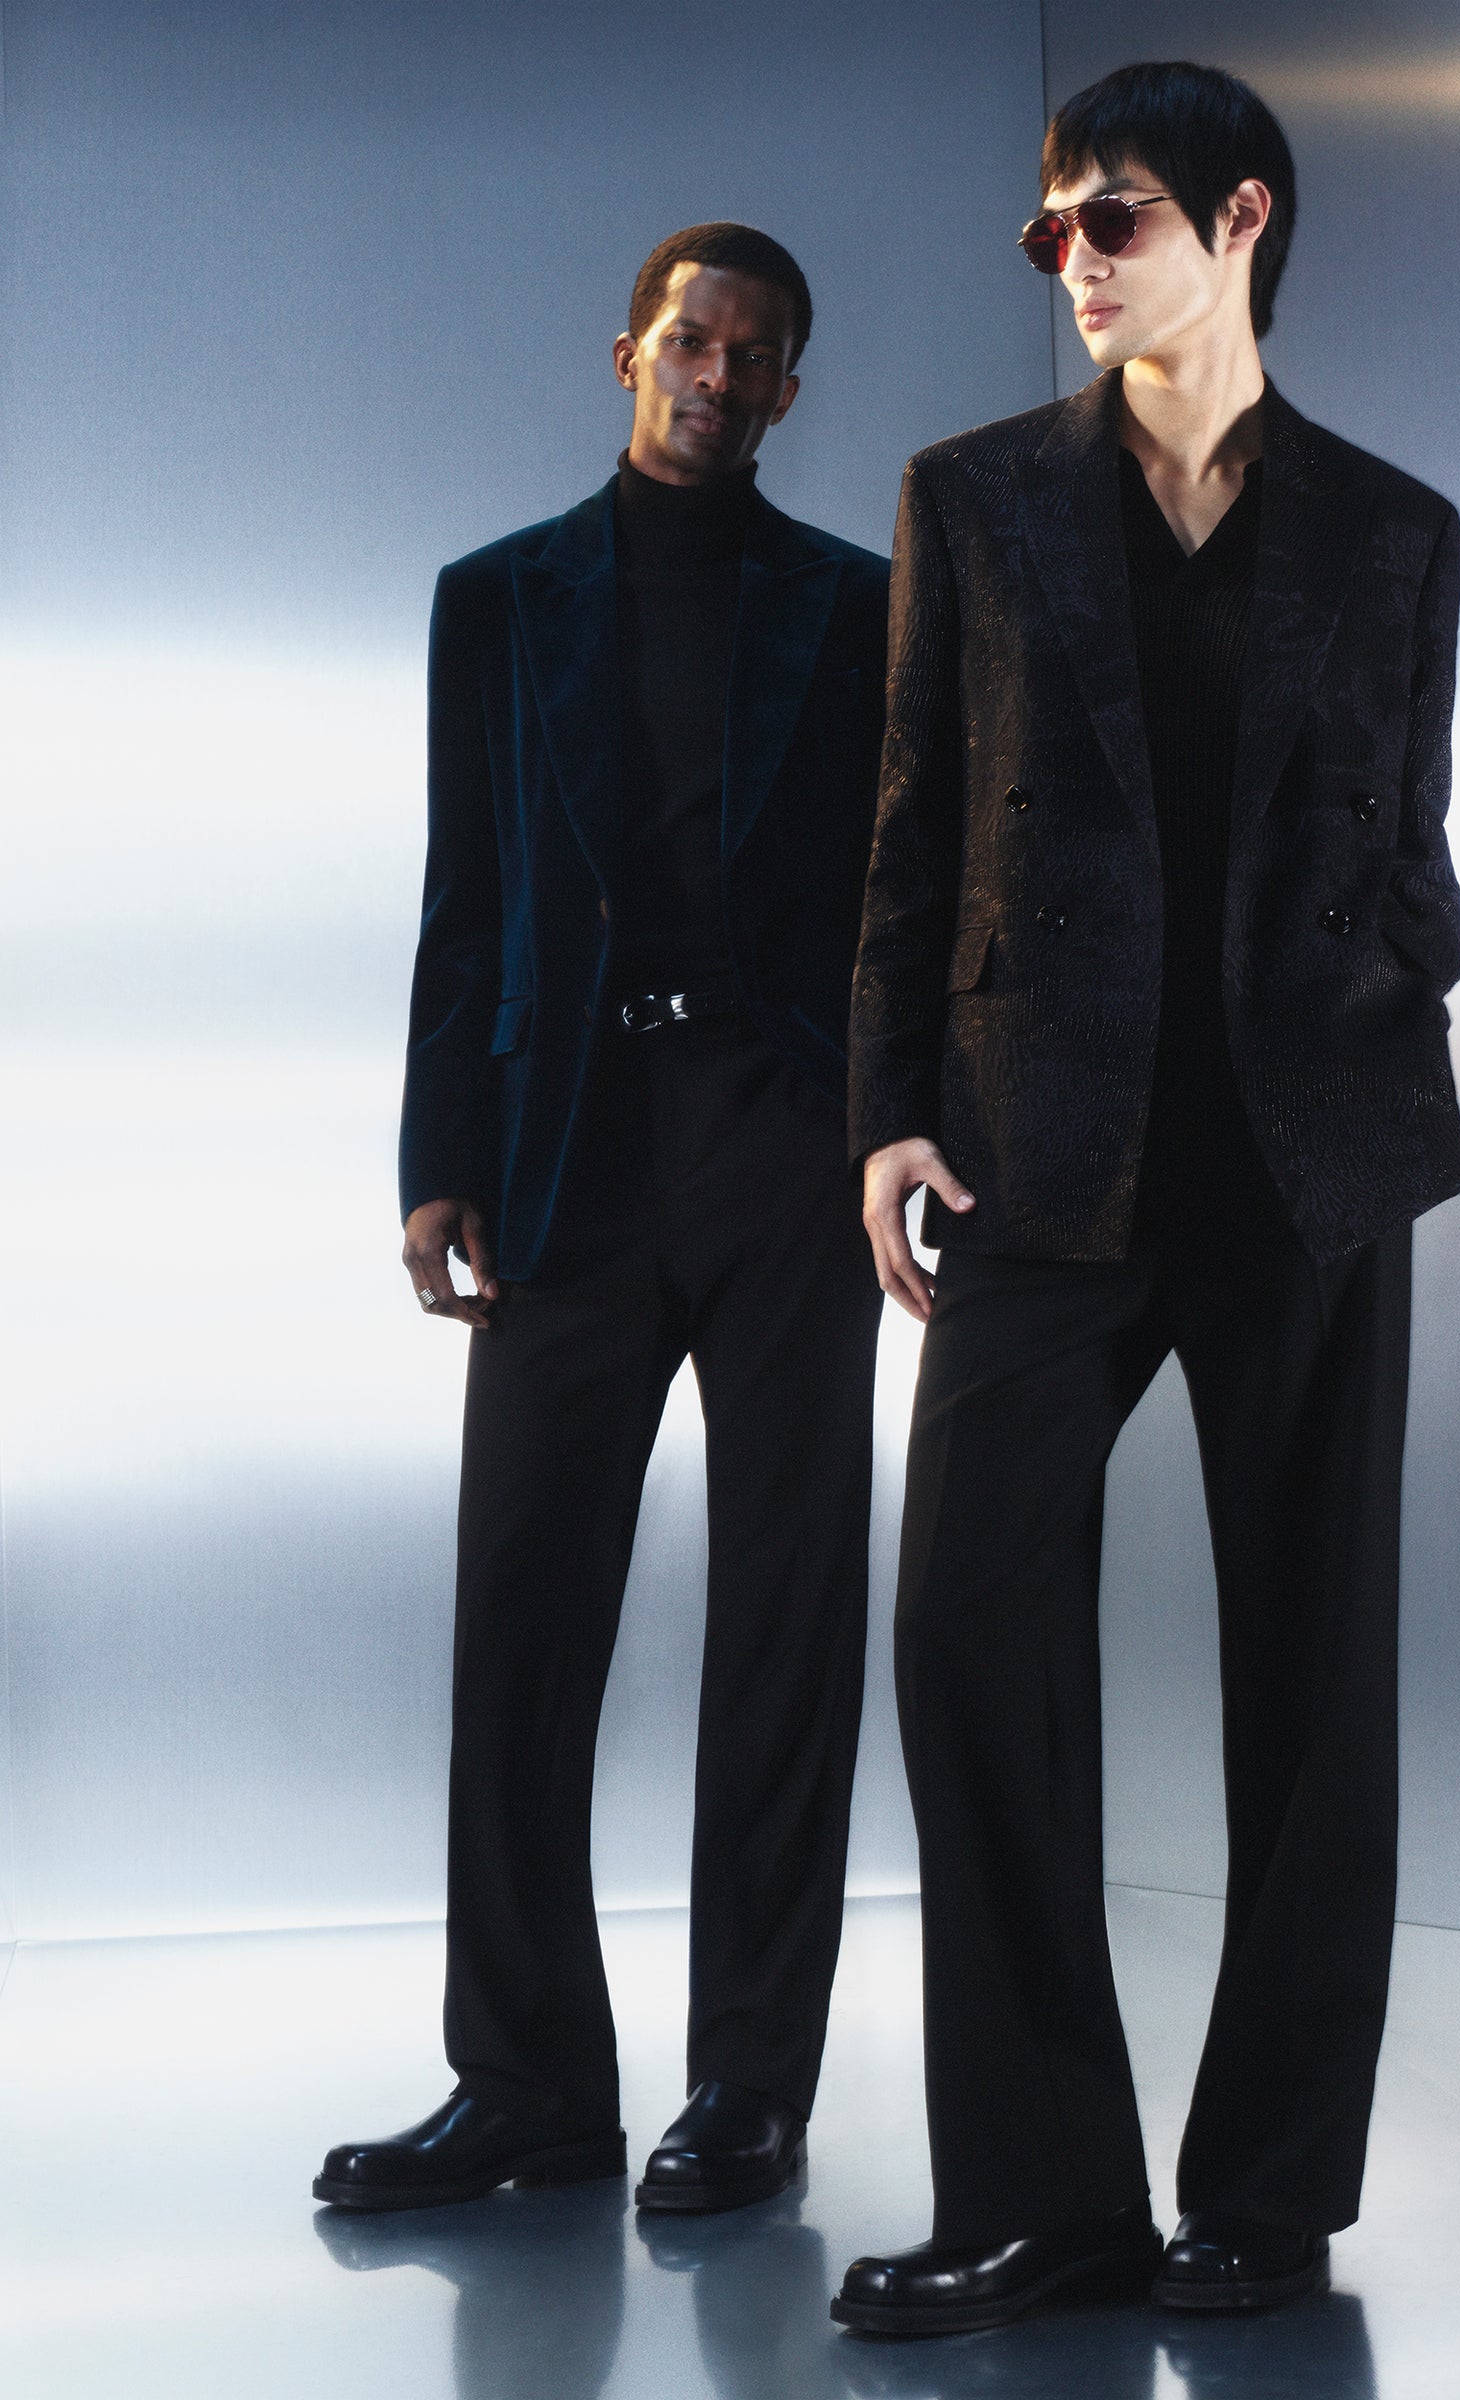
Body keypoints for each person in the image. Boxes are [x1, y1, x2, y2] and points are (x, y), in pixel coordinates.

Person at [834, 62, 1460, 2335]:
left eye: (1113, 218)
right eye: (1052, 231)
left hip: (1310, 1160)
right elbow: (913, 821)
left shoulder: (1394, 528)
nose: (1075, 262)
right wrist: (888, 1106)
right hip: (1040, 1148)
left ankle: (1269, 2196)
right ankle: (1048, 2197)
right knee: (968, 1633)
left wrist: (1386, 978)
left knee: (1315, 1674)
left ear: (1240, 219)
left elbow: (1414, 838)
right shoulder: (975, 497)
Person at [314, 223, 889, 2218]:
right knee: (523, 1613)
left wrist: (889, 1127)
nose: (719, 377)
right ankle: (530, 2083)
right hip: (572, 1143)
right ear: (628, 351)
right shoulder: (498, 600)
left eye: (757, 355)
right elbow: (465, 894)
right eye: (691, 341)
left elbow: (901, 904)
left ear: (793, 389)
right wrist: (436, 1157)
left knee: (789, 1619)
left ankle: (749, 2085)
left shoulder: (861, 607)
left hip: (786, 1145)